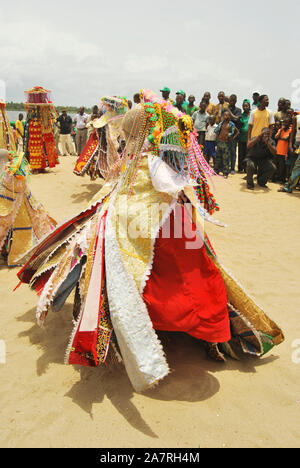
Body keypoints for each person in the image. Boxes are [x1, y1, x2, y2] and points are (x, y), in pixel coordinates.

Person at [17, 89, 284, 393]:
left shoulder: (149, 162)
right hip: (169, 224)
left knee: (152, 275)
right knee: (181, 275)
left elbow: (155, 190)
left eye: (128, 133)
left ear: (136, 132)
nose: (124, 138)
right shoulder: (149, 159)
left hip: (157, 226)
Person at [0, 151, 56, 266]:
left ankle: (7, 250)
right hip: (20, 200)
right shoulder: (12, 170)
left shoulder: (9, 174)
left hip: (12, 202)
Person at [24, 86, 59, 173]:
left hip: (41, 129)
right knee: (35, 147)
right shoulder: (32, 109)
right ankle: (37, 167)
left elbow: (54, 115)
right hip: (35, 129)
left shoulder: (44, 109)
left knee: (42, 146)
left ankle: (42, 166)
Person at [214, 109, 239, 178]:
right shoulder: (221, 123)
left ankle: (225, 172)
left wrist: (230, 136)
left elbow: (235, 132)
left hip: (226, 143)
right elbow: (216, 131)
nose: (226, 116)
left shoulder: (231, 124)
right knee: (218, 157)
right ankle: (216, 170)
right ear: (223, 116)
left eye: (228, 115)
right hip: (219, 142)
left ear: (230, 116)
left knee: (226, 158)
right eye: (225, 115)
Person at [274, 116, 293, 184]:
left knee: (283, 167)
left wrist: (281, 138)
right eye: (284, 122)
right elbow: (276, 137)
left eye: (286, 122)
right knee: (277, 165)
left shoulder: (291, 130)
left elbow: (287, 138)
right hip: (278, 150)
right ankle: (276, 178)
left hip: (285, 152)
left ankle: (281, 179)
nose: (285, 123)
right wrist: (281, 130)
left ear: (290, 123)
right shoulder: (280, 130)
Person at [227, 94, 242, 173]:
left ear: (235, 101)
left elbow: (236, 119)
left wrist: (229, 112)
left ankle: (232, 168)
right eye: (230, 100)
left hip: (234, 135)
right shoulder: (225, 109)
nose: (231, 102)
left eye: (233, 100)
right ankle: (226, 167)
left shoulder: (238, 110)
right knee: (226, 151)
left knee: (233, 152)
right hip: (225, 133)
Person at [237, 99, 251, 172]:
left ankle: (246, 168)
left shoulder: (252, 115)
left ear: (249, 106)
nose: (245, 107)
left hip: (249, 138)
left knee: (248, 154)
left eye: (246, 106)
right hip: (242, 137)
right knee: (241, 153)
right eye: (244, 106)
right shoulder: (241, 116)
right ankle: (240, 168)